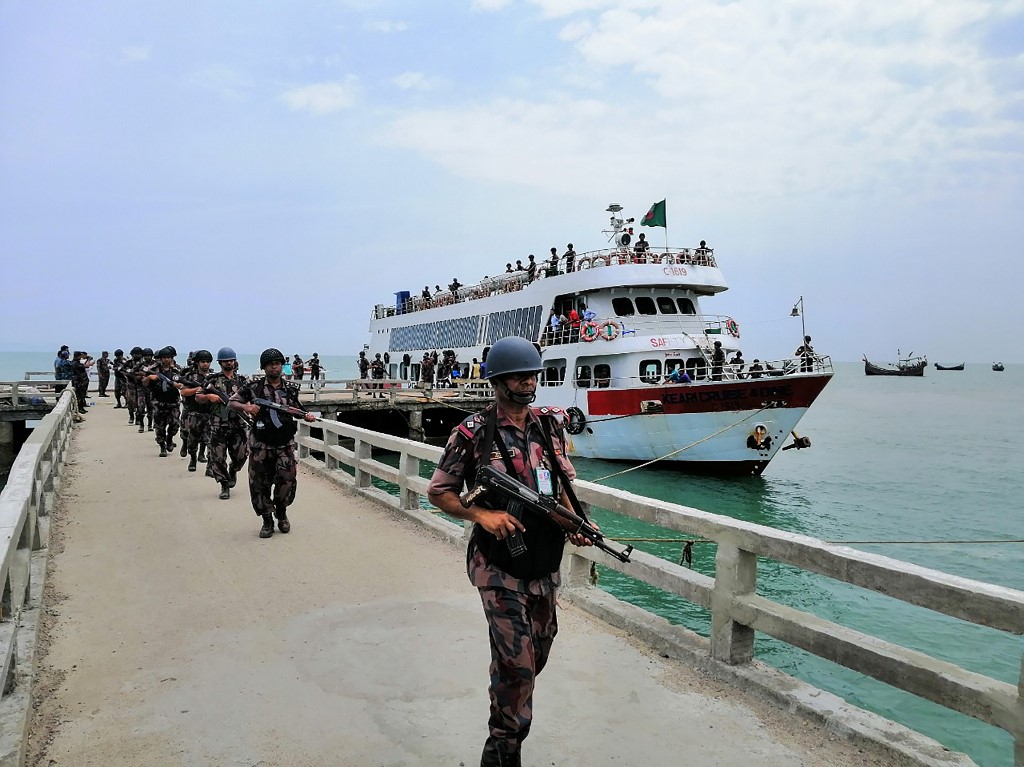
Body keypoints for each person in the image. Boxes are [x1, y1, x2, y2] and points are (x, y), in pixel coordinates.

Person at [426, 336, 597, 767]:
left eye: (532, 375)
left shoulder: (549, 426)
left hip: (542, 562)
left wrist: (577, 522)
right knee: (517, 666)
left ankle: (507, 699)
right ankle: (502, 750)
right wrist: (482, 516)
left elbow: (561, 487)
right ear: (498, 381)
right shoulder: (473, 433)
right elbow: (439, 492)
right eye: (518, 376)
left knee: (538, 650)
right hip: (497, 568)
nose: (527, 382)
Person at [230, 348, 316, 538]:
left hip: (284, 444)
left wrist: (307, 416)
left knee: (287, 480)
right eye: (270, 364)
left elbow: (298, 409)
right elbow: (232, 403)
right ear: (264, 367)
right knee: (259, 484)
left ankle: (282, 511)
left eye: (277, 363)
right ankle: (267, 520)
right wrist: (247, 406)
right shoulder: (253, 388)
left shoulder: (290, 389)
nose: (274, 367)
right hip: (261, 444)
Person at [203, 347, 249, 499]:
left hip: (239, 423)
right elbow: (198, 396)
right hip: (218, 424)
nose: (229, 363)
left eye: (231, 360)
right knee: (218, 457)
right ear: (220, 362)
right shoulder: (212, 380)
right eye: (225, 361)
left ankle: (233, 470)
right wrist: (209, 396)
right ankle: (224, 485)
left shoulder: (243, 380)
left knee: (241, 455)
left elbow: (252, 398)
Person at [141, 347, 184, 457]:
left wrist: (179, 385)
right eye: (164, 358)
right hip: (158, 402)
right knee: (160, 427)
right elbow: (144, 383)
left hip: (173, 402)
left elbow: (183, 382)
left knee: (175, 424)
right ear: (160, 359)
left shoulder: (177, 370)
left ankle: (169, 438)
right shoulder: (153, 369)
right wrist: (150, 377)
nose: (166, 360)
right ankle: (162, 447)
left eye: (168, 357)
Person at [178, 349, 214, 470]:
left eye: (208, 362)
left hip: (210, 413)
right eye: (203, 361)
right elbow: (183, 392)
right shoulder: (190, 376)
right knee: (192, 440)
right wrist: (198, 389)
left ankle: (210, 466)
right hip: (194, 413)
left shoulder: (214, 377)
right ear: (198, 363)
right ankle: (193, 458)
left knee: (211, 441)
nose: (205, 364)